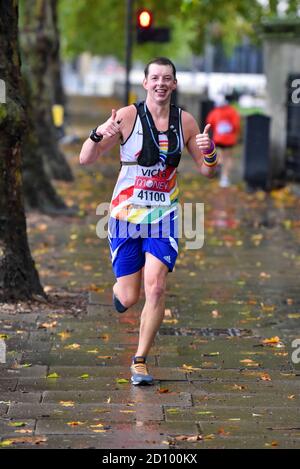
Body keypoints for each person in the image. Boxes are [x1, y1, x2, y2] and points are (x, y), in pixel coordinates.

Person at [79, 57, 218, 385]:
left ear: (174, 84)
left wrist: (210, 150)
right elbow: (86, 158)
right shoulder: (127, 117)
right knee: (129, 297)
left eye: (166, 78)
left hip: (163, 217)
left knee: (155, 286)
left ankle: (140, 360)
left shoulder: (185, 122)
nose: (160, 83)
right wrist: (101, 133)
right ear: (145, 83)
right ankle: (120, 294)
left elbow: (208, 171)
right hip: (126, 216)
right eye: (154, 77)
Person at [206, 94, 240, 188]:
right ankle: (225, 178)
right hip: (229, 139)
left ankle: (219, 164)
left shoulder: (215, 112)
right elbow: (236, 125)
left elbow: (209, 122)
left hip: (218, 138)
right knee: (228, 158)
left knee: (219, 155)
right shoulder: (232, 111)